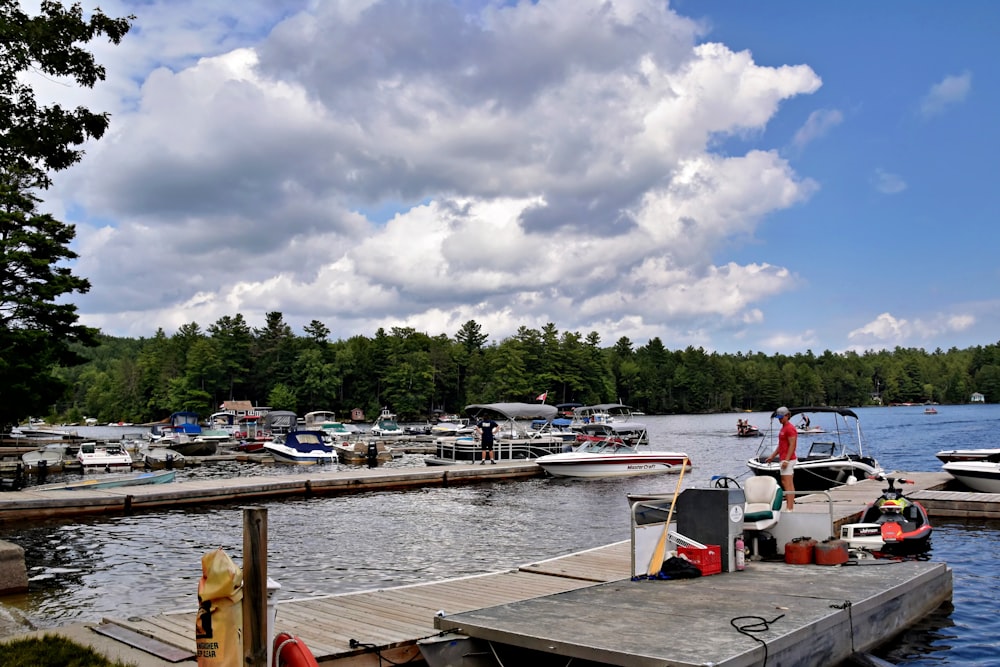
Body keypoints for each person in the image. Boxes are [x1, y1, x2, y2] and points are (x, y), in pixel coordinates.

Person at [765, 406, 797, 510]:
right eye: (778, 418)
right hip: (783, 458)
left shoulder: (790, 428)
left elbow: (792, 445)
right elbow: (781, 445)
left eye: (781, 417)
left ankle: (789, 508)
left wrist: (787, 460)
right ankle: (790, 507)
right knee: (786, 482)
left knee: (787, 483)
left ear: (787, 416)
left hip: (788, 459)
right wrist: (772, 456)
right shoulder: (783, 428)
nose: (780, 419)